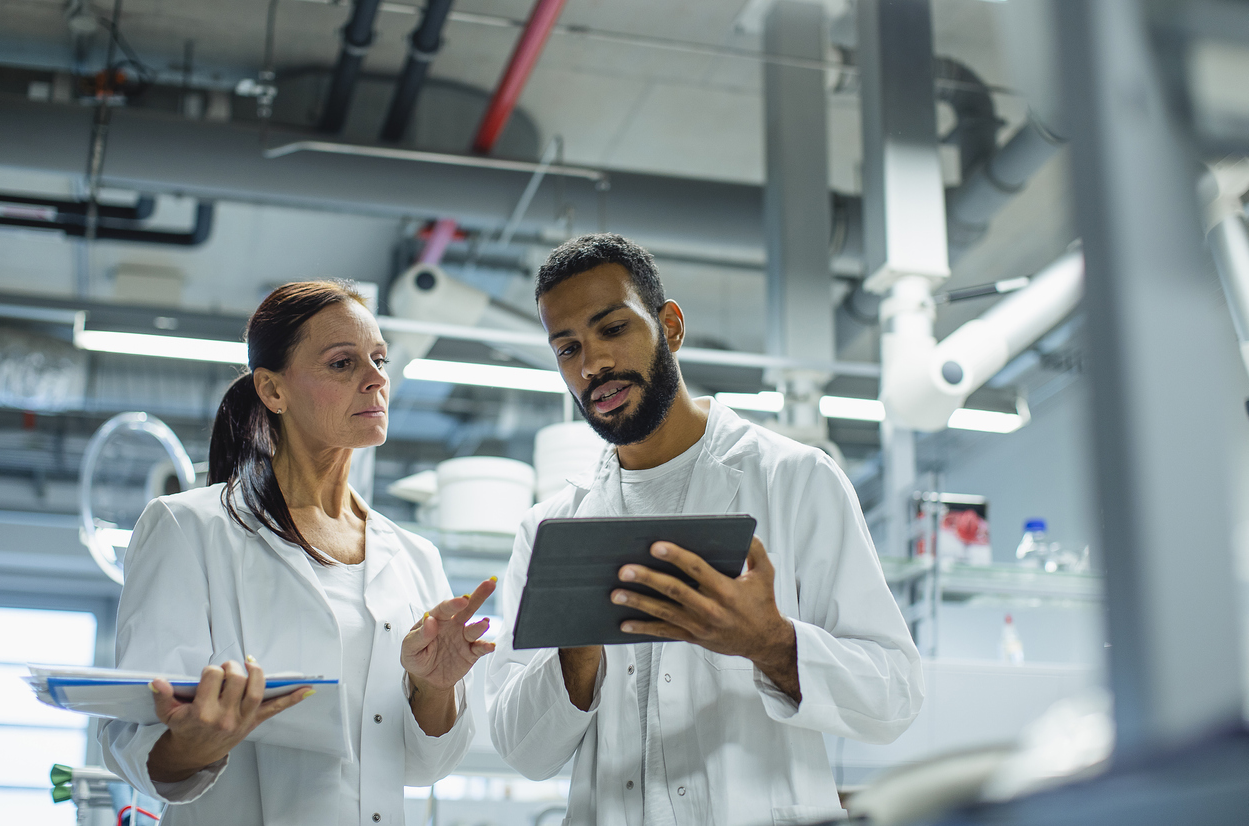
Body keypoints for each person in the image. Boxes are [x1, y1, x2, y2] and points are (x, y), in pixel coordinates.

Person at [486, 235, 924, 825]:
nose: (592, 365)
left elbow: (893, 696)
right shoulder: (550, 531)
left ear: (669, 327)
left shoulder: (794, 479)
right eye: (568, 348)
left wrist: (769, 643)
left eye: (612, 329)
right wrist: (576, 646)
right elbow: (523, 750)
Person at [100, 280, 496, 826]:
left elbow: (424, 766)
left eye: (379, 358)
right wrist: (196, 742)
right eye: (342, 363)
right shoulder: (189, 527)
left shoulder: (414, 557)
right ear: (273, 390)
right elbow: (134, 741)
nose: (377, 377)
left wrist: (433, 687)